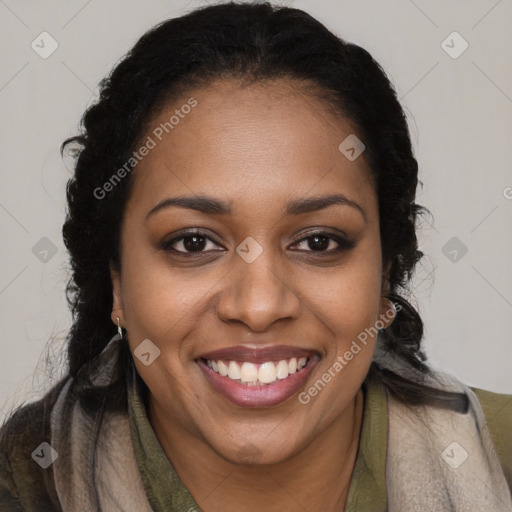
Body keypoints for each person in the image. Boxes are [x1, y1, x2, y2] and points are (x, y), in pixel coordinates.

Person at [1, 2, 511, 511]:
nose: (260, 306)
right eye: (194, 242)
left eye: (318, 241)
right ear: (116, 280)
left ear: (386, 273)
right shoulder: (24, 487)